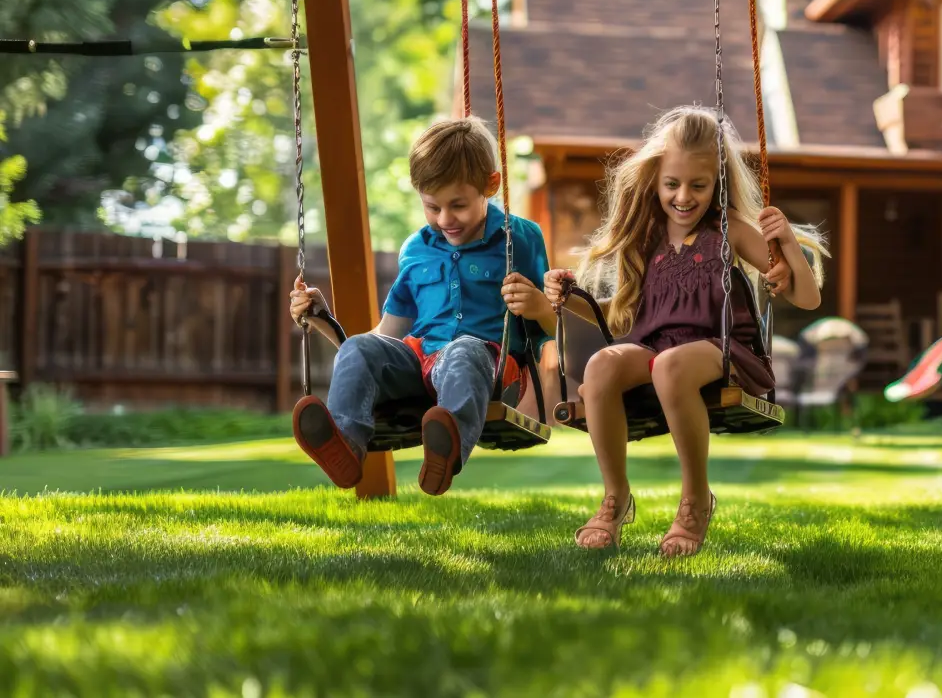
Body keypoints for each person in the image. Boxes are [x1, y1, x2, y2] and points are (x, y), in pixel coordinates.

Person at [544, 106, 826, 556]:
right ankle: (615, 498)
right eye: (672, 184)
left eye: (698, 185)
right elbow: (617, 318)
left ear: (718, 183)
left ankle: (695, 499)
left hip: (721, 350)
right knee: (600, 366)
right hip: (655, 349)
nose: (683, 197)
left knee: (671, 366)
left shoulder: (729, 228)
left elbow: (806, 299)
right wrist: (563, 298)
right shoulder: (646, 236)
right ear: (655, 180)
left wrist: (788, 244)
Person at [290, 117, 556, 494]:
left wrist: (539, 305)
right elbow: (387, 336)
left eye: (458, 205)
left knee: (464, 350)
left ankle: (444, 449)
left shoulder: (521, 238)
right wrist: (323, 320)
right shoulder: (416, 249)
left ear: (491, 185)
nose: (445, 219)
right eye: (432, 207)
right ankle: (345, 444)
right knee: (360, 348)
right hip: (421, 365)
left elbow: (553, 328)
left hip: (491, 367)